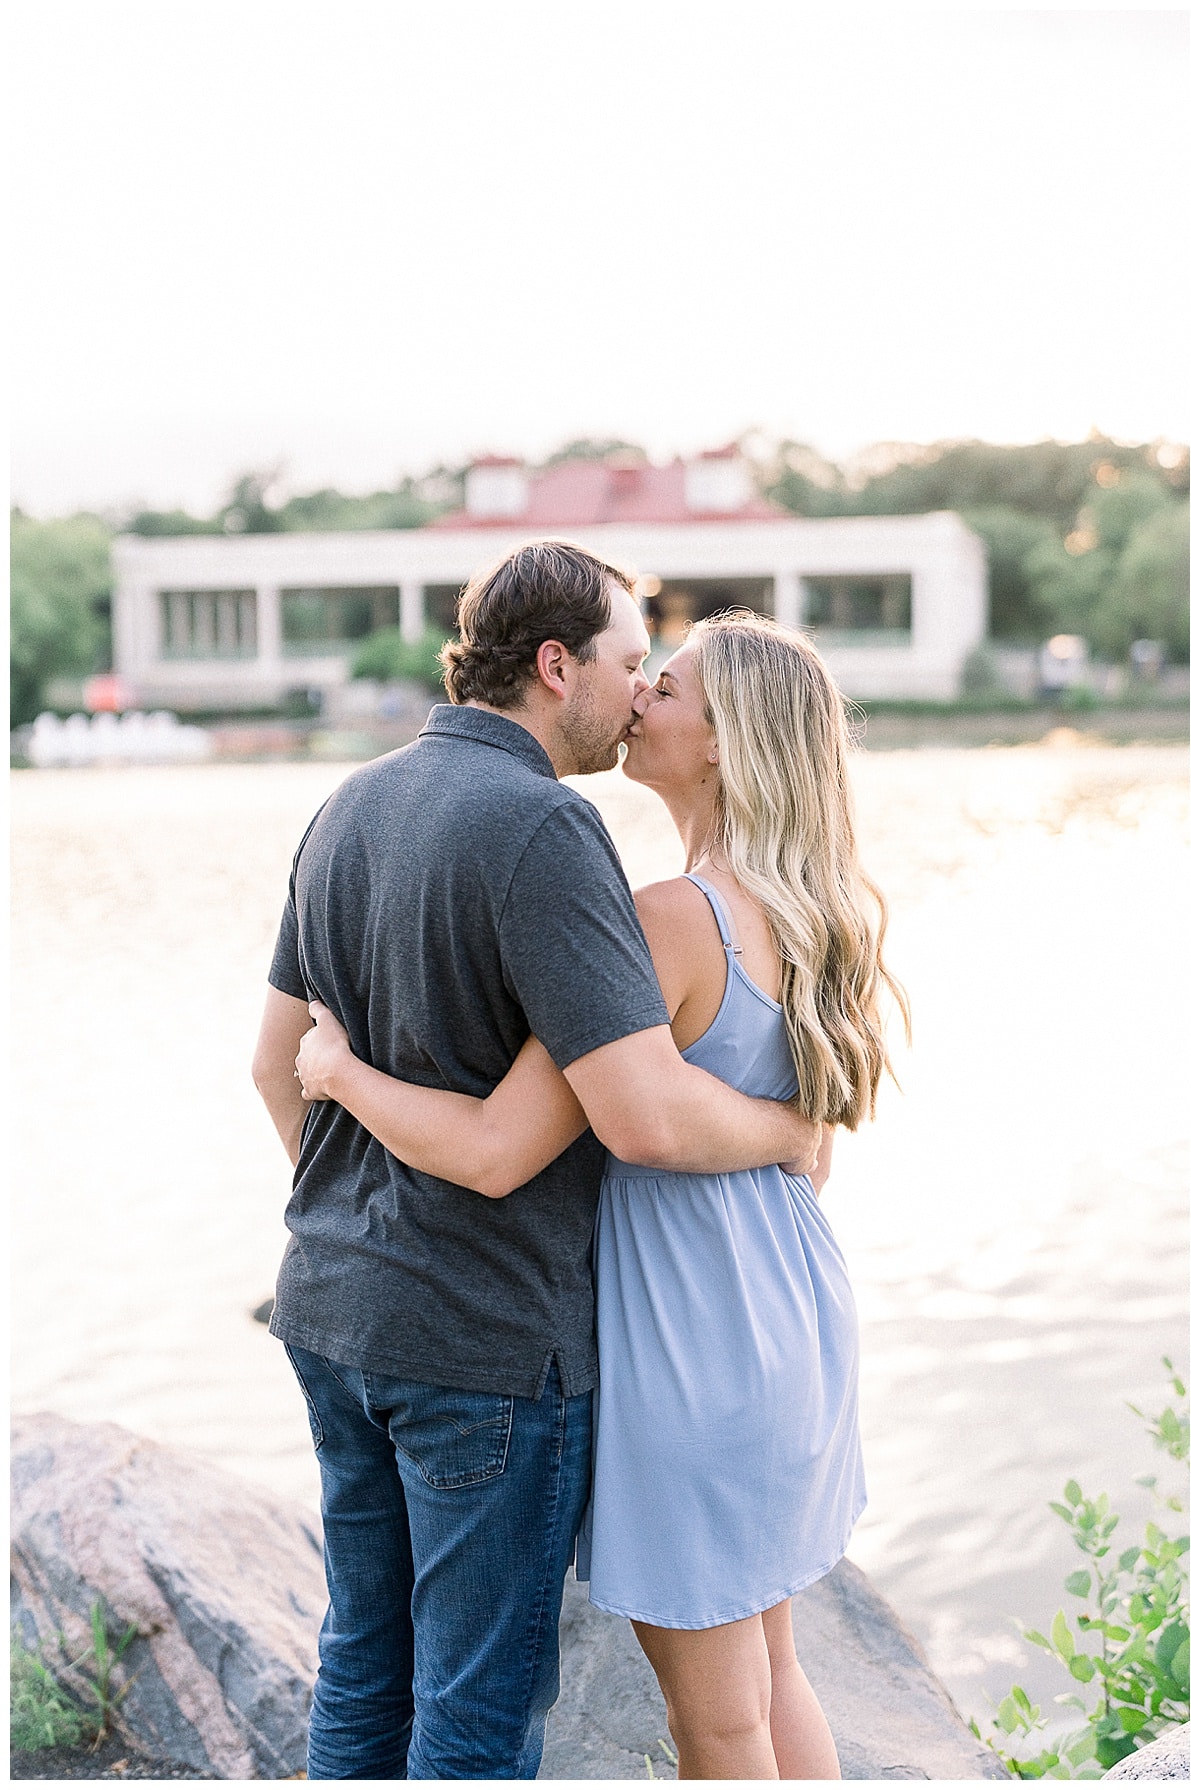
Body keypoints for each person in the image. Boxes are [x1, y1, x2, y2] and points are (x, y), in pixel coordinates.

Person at [296, 610, 908, 1780]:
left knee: (717, 1724)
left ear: (726, 739)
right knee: (775, 1675)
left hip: (692, 1337)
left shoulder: (667, 921)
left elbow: (500, 1139)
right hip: (784, 1308)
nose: (638, 701)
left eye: (665, 688)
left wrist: (340, 1073)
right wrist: (793, 1130)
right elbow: (792, 1127)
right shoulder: (812, 914)